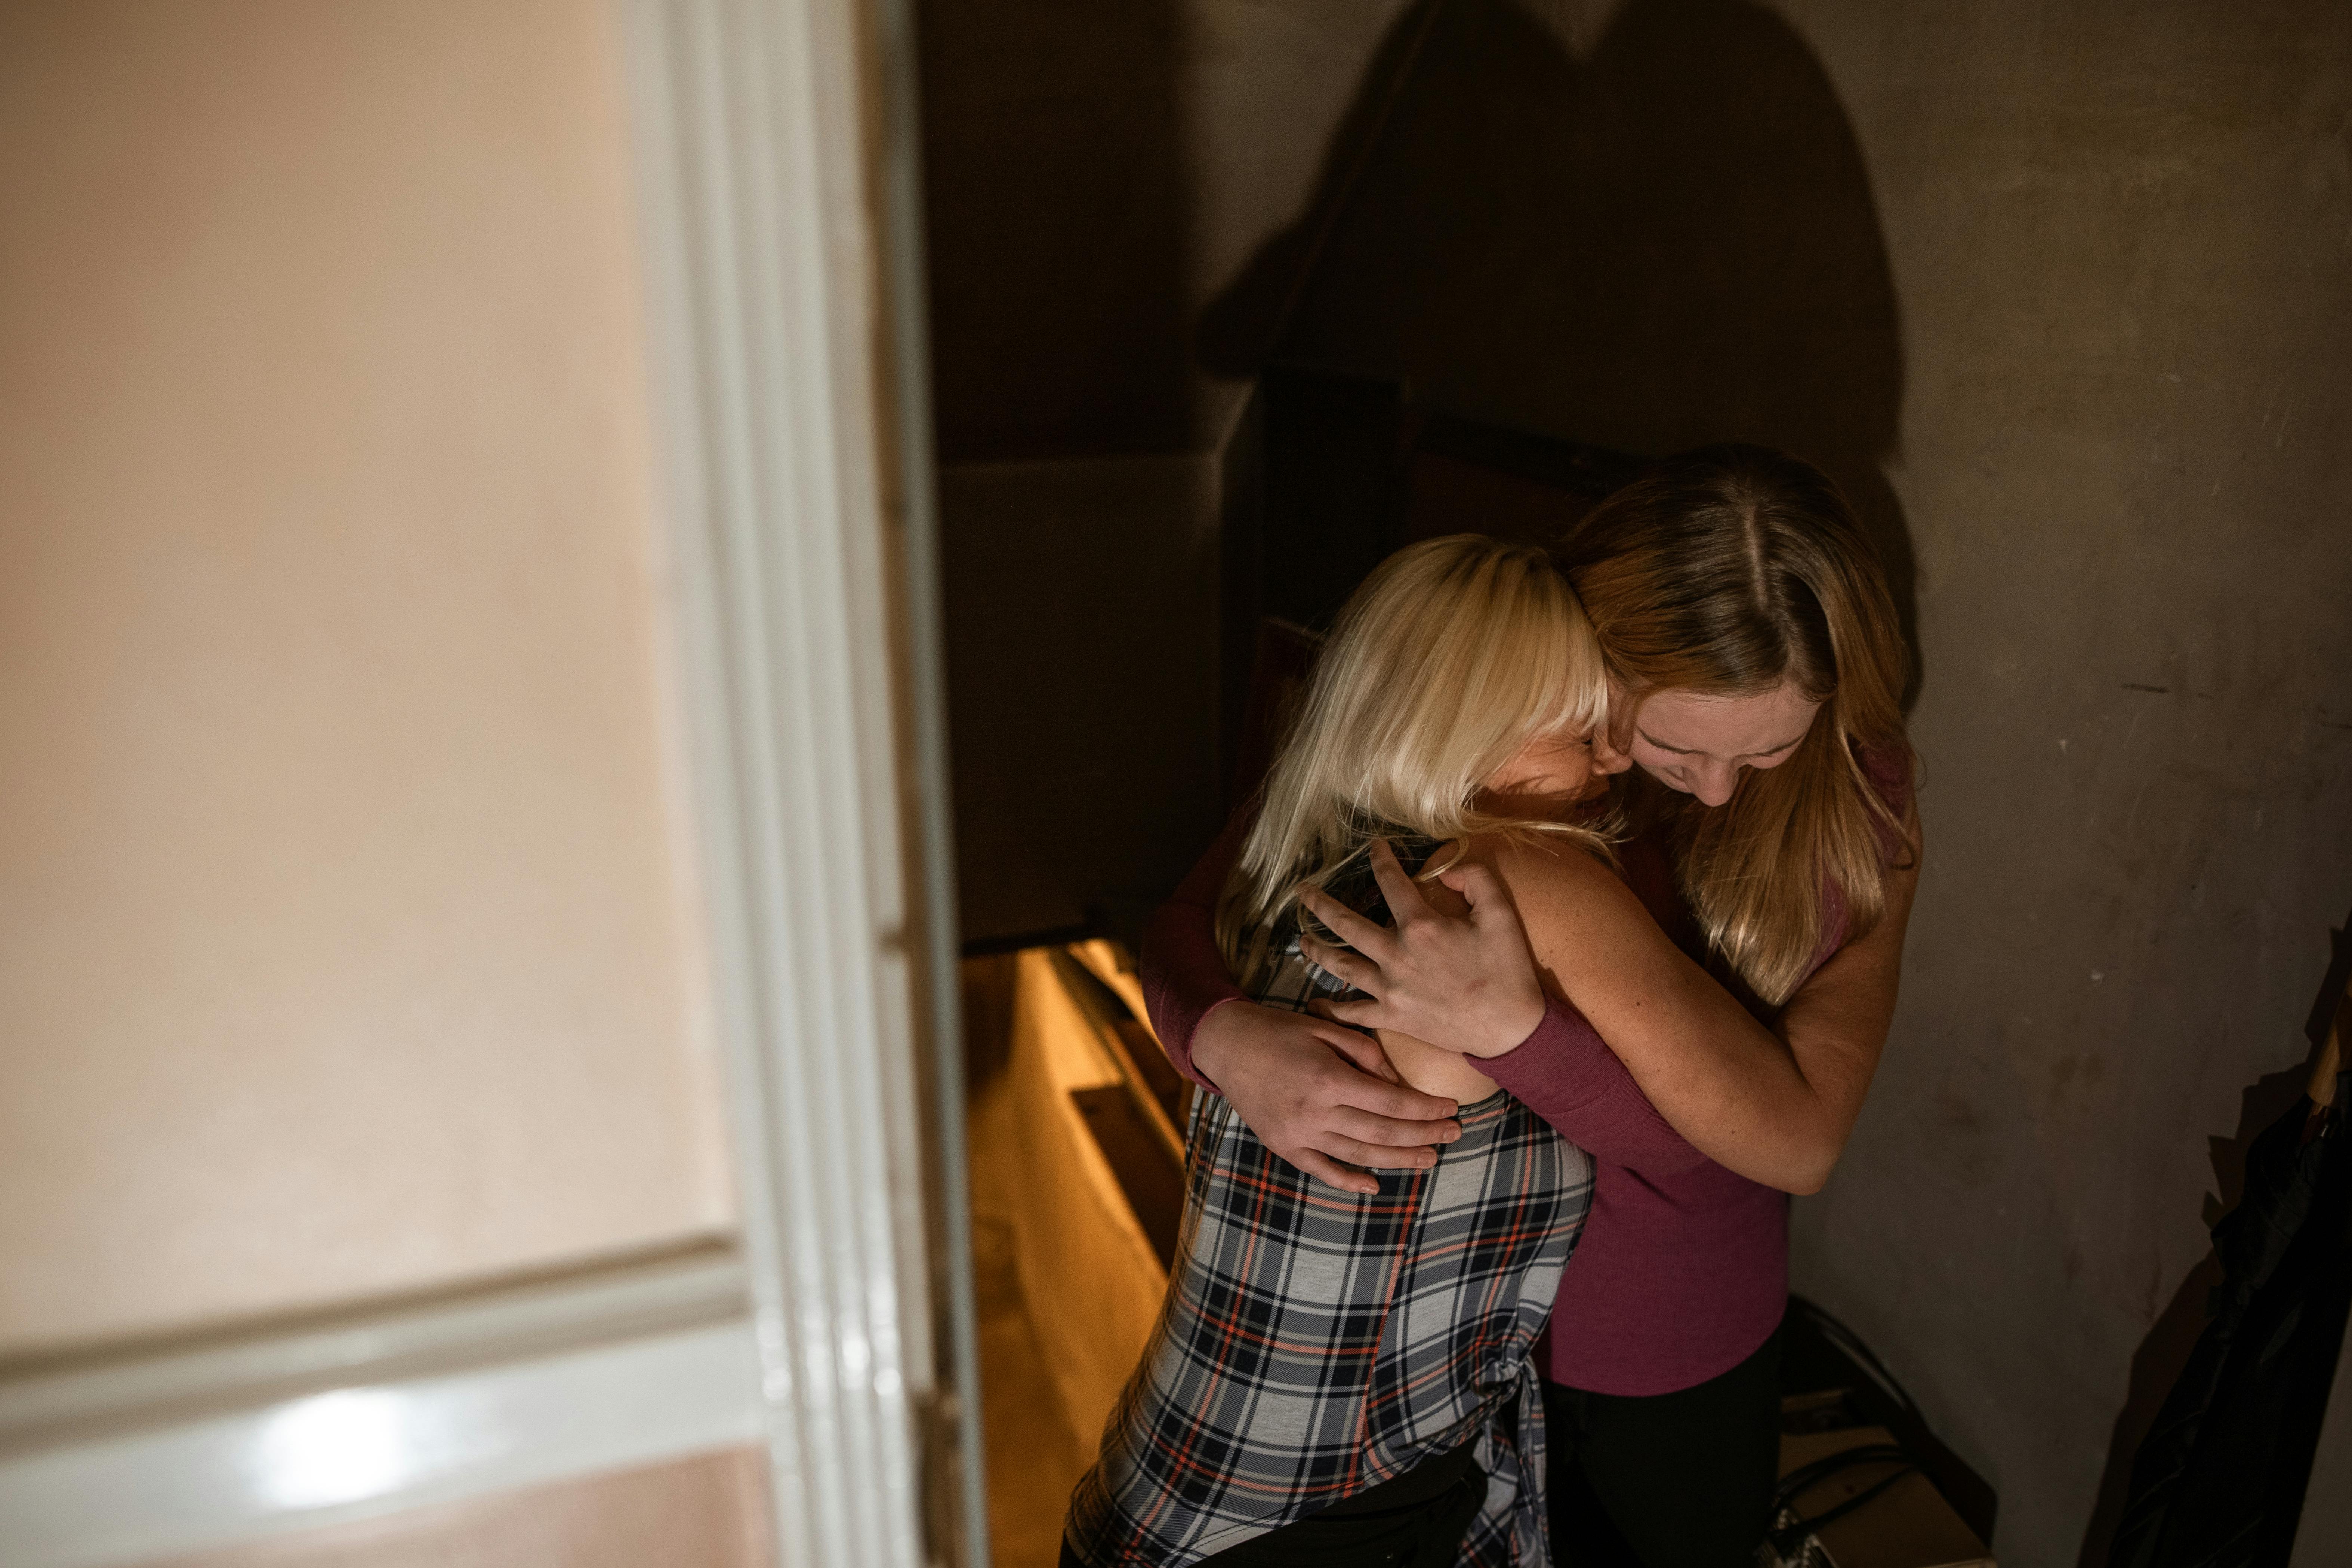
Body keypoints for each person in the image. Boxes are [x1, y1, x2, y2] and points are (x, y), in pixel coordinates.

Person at [1140, 446, 1921, 1568]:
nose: (1710, 789)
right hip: (1446, 1366)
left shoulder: (1858, 803)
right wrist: (1218, 1039)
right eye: (1673, 743)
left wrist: (1519, 1035)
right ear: (1591, 648)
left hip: (1666, 1339)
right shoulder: (1473, 716)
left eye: (1768, 748)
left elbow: (1789, 1141)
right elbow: (1199, 904)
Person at [1062, 535, 1611, 1568]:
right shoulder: (1470, 908)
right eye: (1584, 730)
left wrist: (1213, 1028)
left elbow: (1176, 920)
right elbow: (1747, 1127)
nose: (1609, 762)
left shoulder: (1301, 860)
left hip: (1192, 1490)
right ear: (1475, 731)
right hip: (1304, 1525)